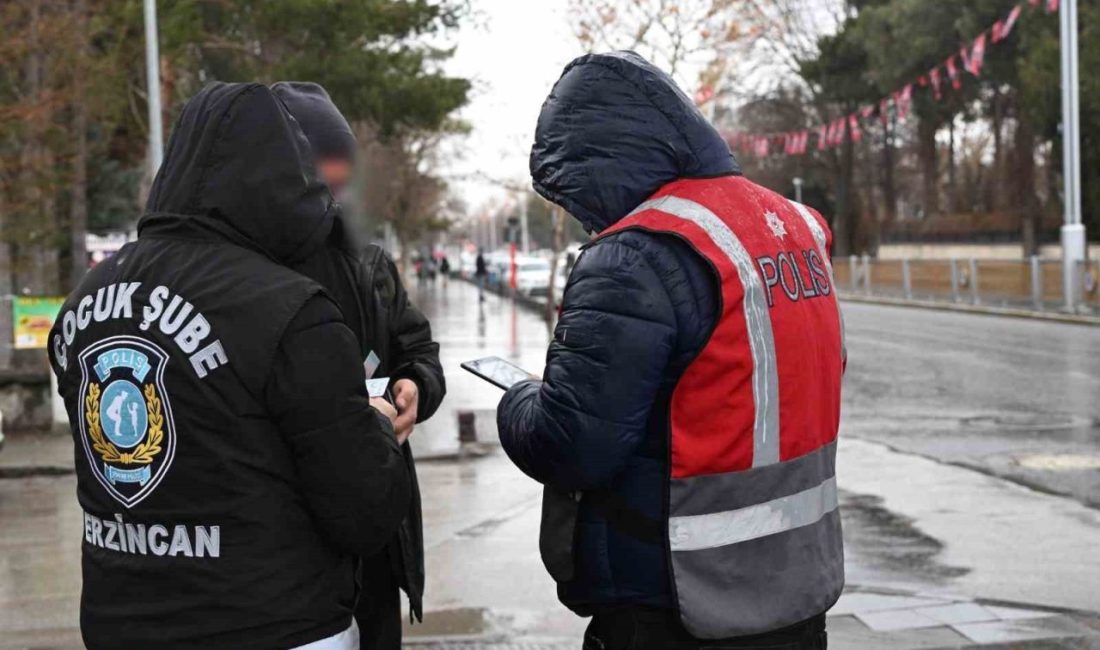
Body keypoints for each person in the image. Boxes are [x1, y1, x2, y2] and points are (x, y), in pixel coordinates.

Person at [496, 52, 845, 650]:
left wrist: (520, 397)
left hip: (674, 600)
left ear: (595, 164)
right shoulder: (795, 226)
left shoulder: (635, 254)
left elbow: (570, 445)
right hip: (796, 589)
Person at [48, 82, 410, 650]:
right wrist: (379, 425)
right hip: (275, 624)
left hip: (122, 624)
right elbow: (364, 512)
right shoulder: (292, 310)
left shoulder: (86, 302)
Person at [272, 81, 445, 650]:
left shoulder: (370, 265)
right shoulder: (254, 272)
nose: (336, 179)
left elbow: (419, 350)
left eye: (343, 164)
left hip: (377, 537)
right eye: (324, 163)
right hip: (293, 545)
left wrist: (414, 386)